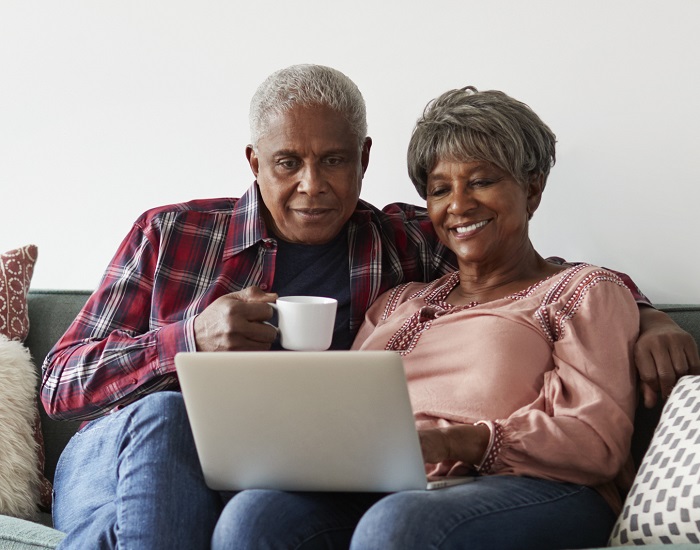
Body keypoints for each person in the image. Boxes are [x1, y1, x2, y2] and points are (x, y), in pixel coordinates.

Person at [40, 66, 698, 549]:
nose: (312, 186)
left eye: (333, 161)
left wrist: (654, 317)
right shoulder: (174, 233)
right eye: (288, 162)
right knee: (169, 414)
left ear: (364, 159)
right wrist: (185, 339)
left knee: (259, 512)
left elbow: (551, 281)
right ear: (254, 161)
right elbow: (61, 380)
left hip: (461, 482)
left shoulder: (401, 244)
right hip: (124, 443)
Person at [210, 85, 645, 550]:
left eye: (481, 181)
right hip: (396, 487)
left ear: (532, 189)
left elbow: (597, 442)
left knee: (398, 525)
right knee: (255, 515)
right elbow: (352, 416)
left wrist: (453, 443)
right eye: (441, 189)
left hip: (540, 488)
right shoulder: (396, 303)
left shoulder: (581, 292)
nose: (458, 204)